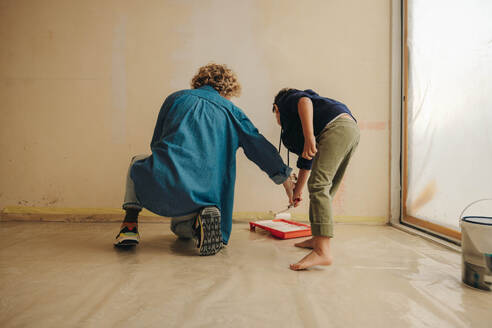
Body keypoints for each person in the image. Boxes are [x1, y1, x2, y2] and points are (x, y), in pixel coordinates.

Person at [114, 63, 294, 256]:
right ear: (228, 91)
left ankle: (129, 226)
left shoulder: (175, 99)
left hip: (165, 182)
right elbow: (259, 147)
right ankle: (199, 222)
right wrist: (285, 178)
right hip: (207, 192)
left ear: (199, 81)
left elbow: (156, 142)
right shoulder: (233, 112)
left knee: (137, 161)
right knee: (184, 226)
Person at [272, 88, 360, 270]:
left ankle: (322, 251)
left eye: (276, 116)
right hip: (350, 130)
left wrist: (309, 136)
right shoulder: (313, 119)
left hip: (336, 128)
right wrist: (297, 191)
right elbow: (307, 160)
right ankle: (318, 238)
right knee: (324, 189)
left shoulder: (286, 99)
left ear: (276, 109)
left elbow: (304, 101)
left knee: (319, 186)